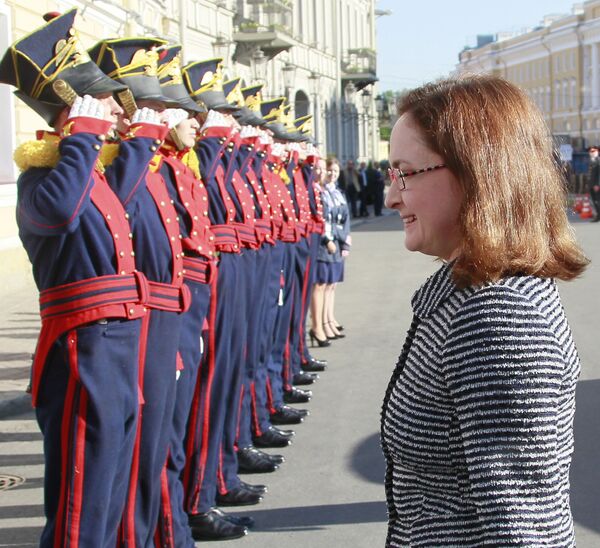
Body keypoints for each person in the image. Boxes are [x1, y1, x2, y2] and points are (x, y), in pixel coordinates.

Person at [381, 74, 588, 547]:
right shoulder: (474, 294)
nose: (391, 196)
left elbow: (522, 531)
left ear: (476, 172)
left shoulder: (496, 315)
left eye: (405, 173)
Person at [588, 145, 600, 221]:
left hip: (596, 185)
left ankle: (598, 216)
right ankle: (598, 215)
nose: (591, 153)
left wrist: (597, 184)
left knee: (598, 201)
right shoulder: (592, 161)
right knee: (595, 201)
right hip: (591, 185)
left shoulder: (598, 161)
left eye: (593, 151)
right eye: (590, 151)